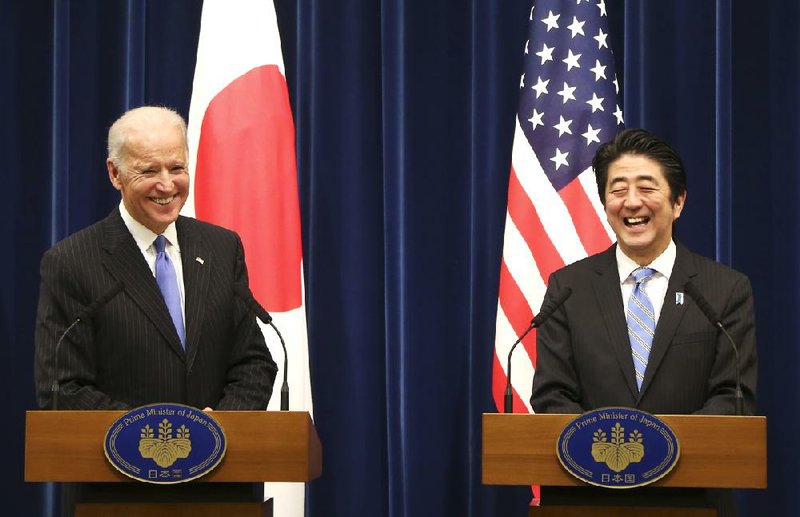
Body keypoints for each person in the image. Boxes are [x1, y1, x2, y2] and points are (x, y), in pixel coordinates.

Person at [530, 128, 757, 515]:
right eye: (618, 190)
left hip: (690, 500)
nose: (632, 202)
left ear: (678, 202)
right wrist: (607, 460)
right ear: (604, 203)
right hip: (585, 498)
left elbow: (733, 399)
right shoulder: (568, 288)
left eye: (647, 188)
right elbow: (552, 396)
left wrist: (656, 453)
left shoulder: (724, 290)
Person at [34, 105, 278, 411]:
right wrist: (154, 433)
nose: (166, 185)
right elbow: (62, 388)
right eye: (149, 171)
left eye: (176, 168)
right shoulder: (71, 262)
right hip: (119, 455)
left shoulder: (222, 248)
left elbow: (253, 363)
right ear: (115, 173)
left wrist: (217, 429)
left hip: (220, 454)